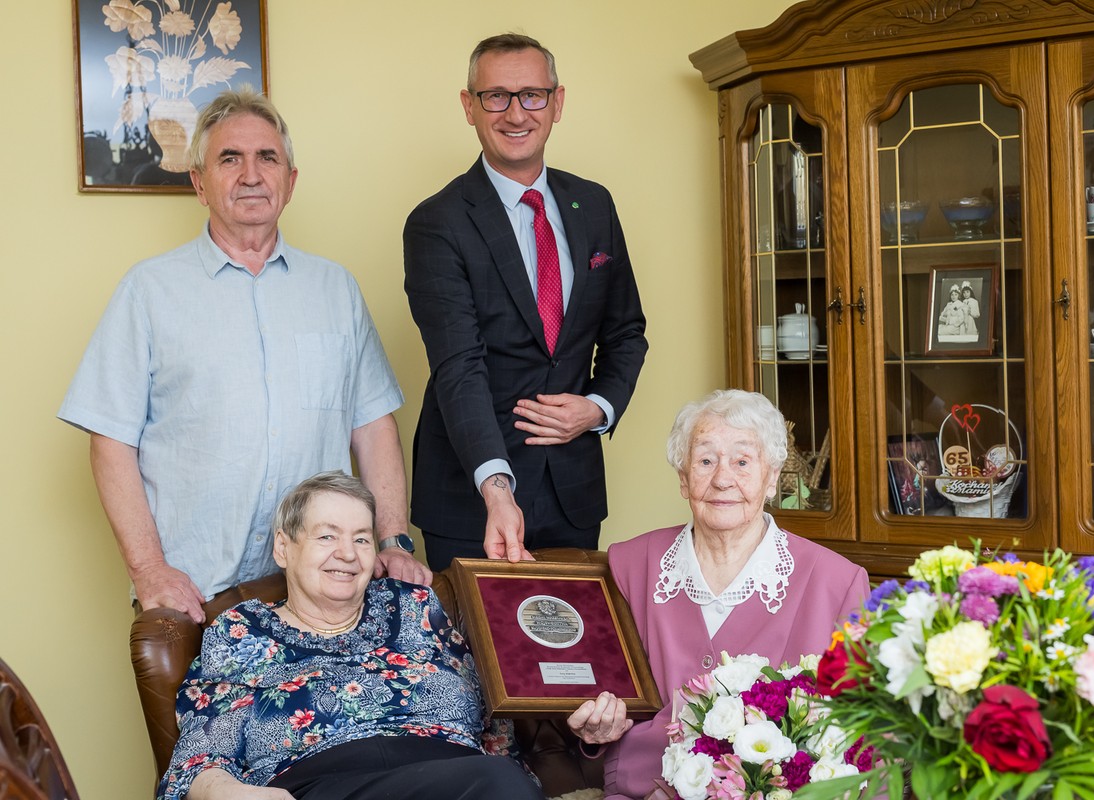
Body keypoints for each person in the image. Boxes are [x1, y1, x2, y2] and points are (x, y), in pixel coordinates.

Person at [59, 89, 430, 625]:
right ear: (198, 182)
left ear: (290, 182)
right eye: (230, 158)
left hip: (322, 587)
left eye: (267, 158)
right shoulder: (148, 291)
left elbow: (372, 426)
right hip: (196, 590)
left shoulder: (336, 290)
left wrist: (393, 539)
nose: (251, 175)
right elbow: (111, 442)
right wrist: (149, 569)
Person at [403, 33, 648, 571]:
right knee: (471, 630)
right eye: (496, 96)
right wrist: (496, 488)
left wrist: (598, 408)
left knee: (575, 627)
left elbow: (626, 332)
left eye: (532, 95)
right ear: (469, 106)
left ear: (557, 103)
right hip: (470, 497)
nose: (516, 114)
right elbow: (458, 366)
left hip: (573, 492)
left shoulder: (594, 204)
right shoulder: (436, 222)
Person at [156, 471, 541, 800]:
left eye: (361, 539)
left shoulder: (414, 605)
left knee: (504, 781)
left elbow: (495, 724)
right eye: (327, 537)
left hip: (458, 779)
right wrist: (230, 792)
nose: (347, 553)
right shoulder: (241, 631)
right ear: (283, 548)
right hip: (322, 787)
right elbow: (201, 755)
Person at [566, 390, 870, 799]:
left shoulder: (838, 582)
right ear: (683, 478)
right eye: (706, 461)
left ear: (772, 478)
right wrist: (595, 728)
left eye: (742, 462)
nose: (723, 479)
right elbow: (600, 704)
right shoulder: (629, 565)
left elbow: (865, 735)